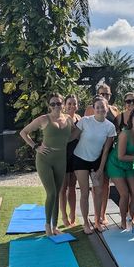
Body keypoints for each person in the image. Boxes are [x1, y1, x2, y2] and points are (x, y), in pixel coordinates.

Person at [20, 93, 73, 236]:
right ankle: (47, 225)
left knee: (57, 193)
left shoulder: (69, 119)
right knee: (52, 192)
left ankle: (55, 226)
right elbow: (24, 133)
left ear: (63, 104)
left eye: (59, 103)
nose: (56, 106)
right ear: (49, 106)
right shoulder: (44, 119)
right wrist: (35, 146)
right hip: (45, 159)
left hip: (61, 159)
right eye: (53, 104)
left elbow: (73, 135)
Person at [72, 96, 117, 234]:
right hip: (80, 159)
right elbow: (73, 136)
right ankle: (86, 223)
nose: (100, 109)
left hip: (97, 161)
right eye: (97, 107)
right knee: (85, 193)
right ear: (93, 108)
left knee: (98, 192)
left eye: (102, 107)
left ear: (107, 107)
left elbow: (105, 151)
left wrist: (100, 169)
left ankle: (97, 221)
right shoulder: (85, 121)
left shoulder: (110, 127)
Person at [84, 83, 120, 226]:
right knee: (95, 184)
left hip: (109, 151)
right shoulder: (90, 109)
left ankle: (103, 214)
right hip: (93, 152)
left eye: (107, 94)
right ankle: (96, 214)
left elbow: (117, 130)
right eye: (102, 94)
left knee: (105, 183)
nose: (105, 96)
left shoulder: (114, 110)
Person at [106, 108, 134, 228]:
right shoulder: (125, 133)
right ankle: (123, 221)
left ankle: (131, 217)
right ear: (131, 120)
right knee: (125, 194)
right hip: (115, 163)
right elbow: (121, 156)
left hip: (130, 165)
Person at [60, 94, 81, 227]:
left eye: (74, 103)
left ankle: (73, 214)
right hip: (63, 156)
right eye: (69, 104)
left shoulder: (80, 119)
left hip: (76, 156)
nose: (72, 106)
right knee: (63, 188)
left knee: (72, 187)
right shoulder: (61, 119)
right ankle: (64, 216)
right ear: (64, 105)